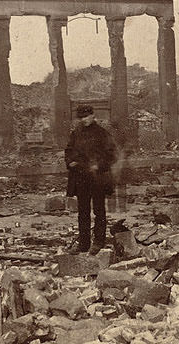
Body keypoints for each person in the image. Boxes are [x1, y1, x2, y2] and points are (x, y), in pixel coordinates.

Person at [64, 104, 117, 255]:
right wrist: (70, 162)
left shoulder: (102, 133)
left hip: (97, 178)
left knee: (99, 211)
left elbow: (112, 154)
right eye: (81, 117)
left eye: (86, 116)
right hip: (80, 177)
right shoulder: (76, 133)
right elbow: (68, 150)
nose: (84, 120)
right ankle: (84, 243)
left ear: (93, 115)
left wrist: (98, 166)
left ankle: (99, 242)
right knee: (83, 211)